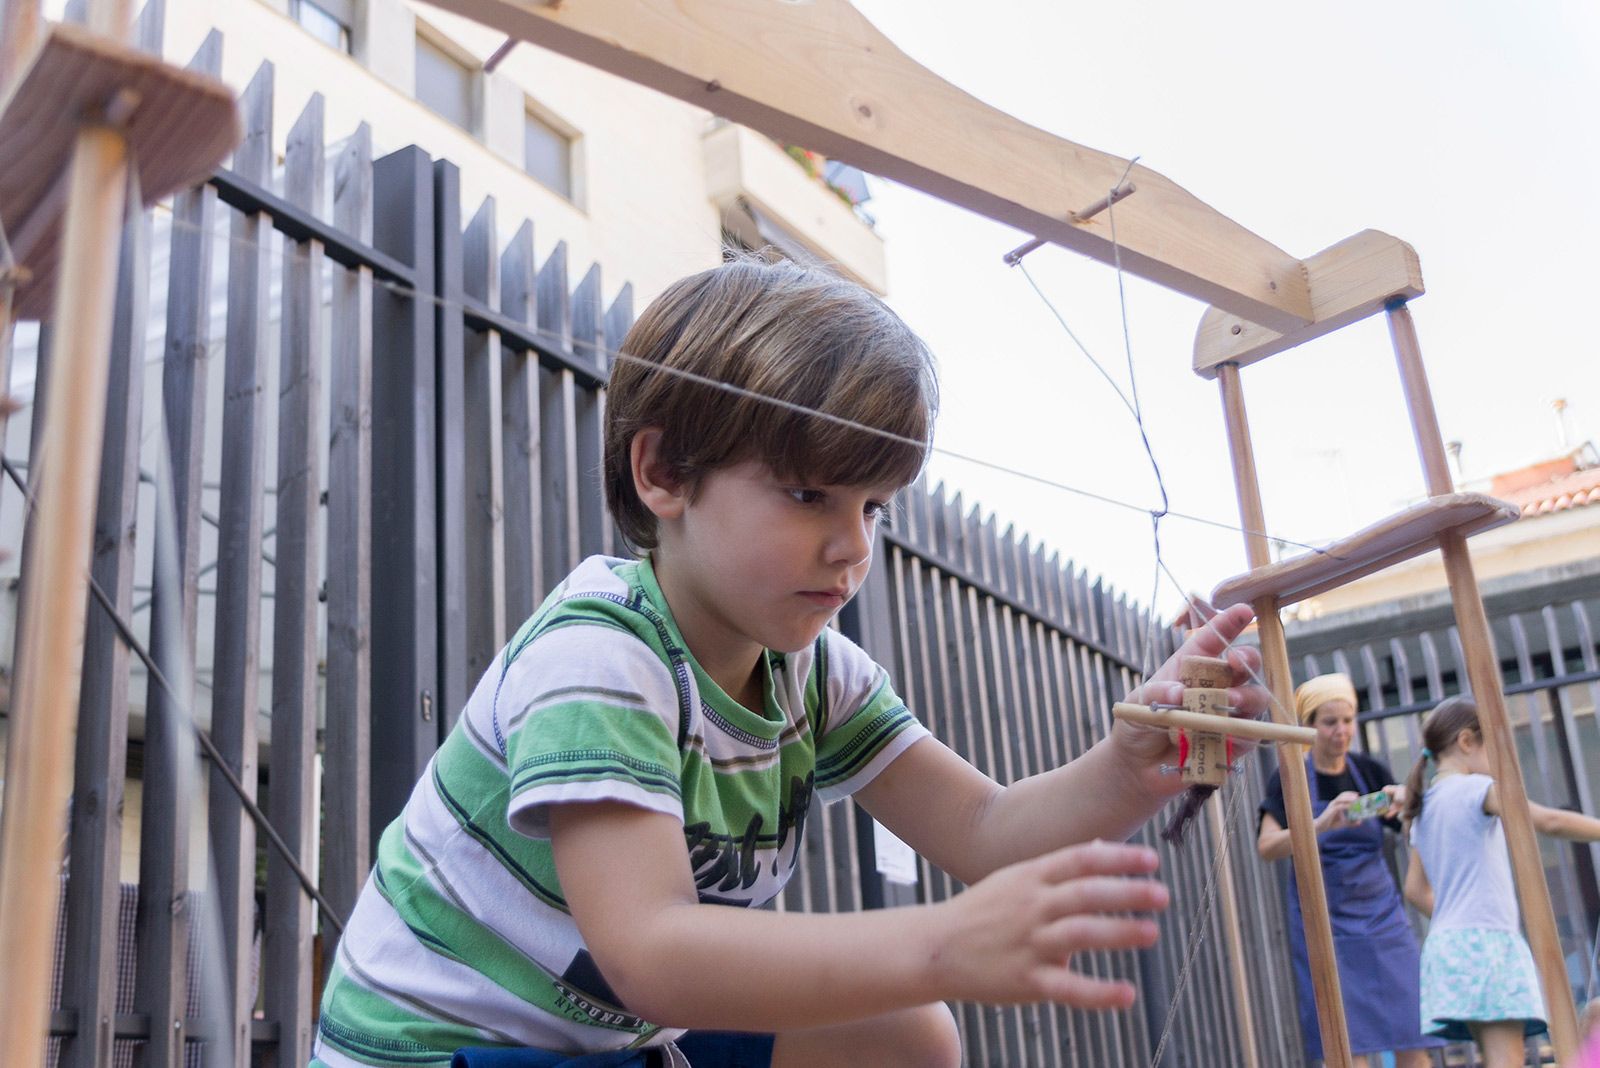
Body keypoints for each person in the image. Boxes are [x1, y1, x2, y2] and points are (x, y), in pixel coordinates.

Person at [308, 256, 1270, 1068]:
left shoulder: (818, 675)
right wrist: (940, 941)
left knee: (907, 1037)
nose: (853, 546)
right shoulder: (599, 656)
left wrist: (1128, 767)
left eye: (873, 508)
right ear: (664, 474)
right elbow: (648, 952)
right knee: (909, 998)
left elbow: (982, 826)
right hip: (434, 1050)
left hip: (598, 1046)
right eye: (811, 494)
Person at [1403, 696, 1600, 1067]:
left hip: (1448, 949)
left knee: (1493, 1057)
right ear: (1466, 742)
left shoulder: (1422, 806)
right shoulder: (1476, 789)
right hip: (1487, 944)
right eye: (1495, 746)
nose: (1500, 760)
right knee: (1506, 1061)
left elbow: (1414, 890)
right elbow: (1547, 822)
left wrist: (1459, 919)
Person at [1256, 673, 1440, 1067]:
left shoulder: (1369, 771)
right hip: (1324, 923)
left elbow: (1415, 831)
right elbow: (1267, 846)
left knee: (1411, 1030)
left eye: (1347, 721)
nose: (1341, 732)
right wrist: (1321, 825)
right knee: (1344, 1042)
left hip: (1383, 920)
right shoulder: (1289, 779)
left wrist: (1405, 802)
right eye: (1329, 722)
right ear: (1309, 727)